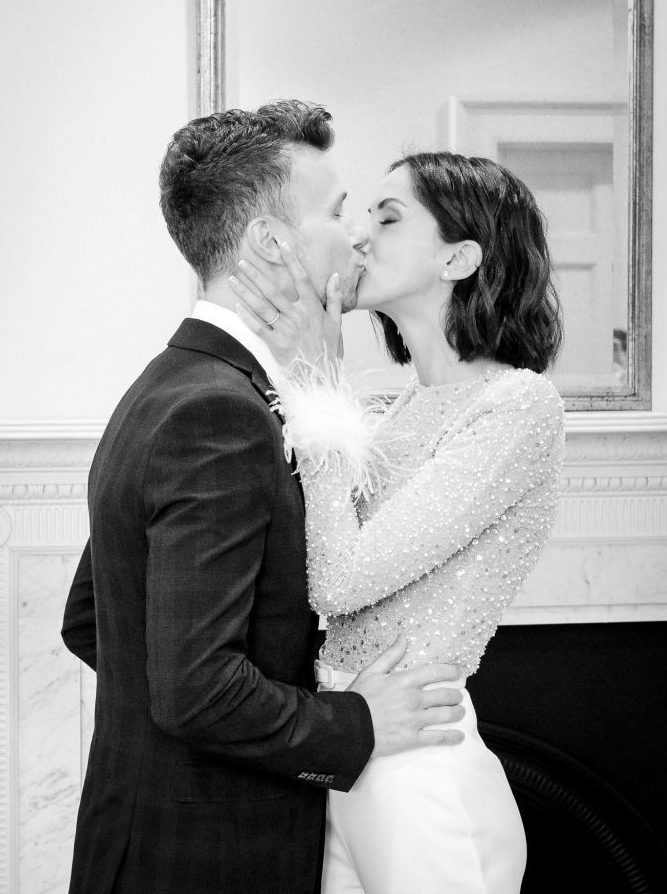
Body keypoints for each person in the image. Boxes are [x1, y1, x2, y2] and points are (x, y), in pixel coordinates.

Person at [60, 103, 469, 894]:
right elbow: (195, 688)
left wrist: (167, 741)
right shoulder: (219, 414)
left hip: (153, 840)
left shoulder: (172, 385)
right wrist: (356, 725)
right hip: (207, 859)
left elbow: (92, 619)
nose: (354, 236)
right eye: (337, 211)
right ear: (270, 241)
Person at [230, 149, 566, 894]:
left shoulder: (515, 407)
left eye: (387, 217)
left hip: (420, 768)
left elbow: (339, 580)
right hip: (347, 751)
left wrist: (320, 385)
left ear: (458, 257)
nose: (359, 238)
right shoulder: (386, 407)